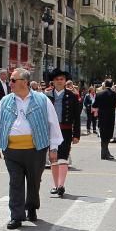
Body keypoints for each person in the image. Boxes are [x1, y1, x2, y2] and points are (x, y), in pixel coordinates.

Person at [0, 68, 63, 229]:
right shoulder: (5, 101)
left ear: (25, 82)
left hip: (36, 149)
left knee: (34, 181)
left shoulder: (42, 100)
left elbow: (53, 124)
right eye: (10, 80)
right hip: (11, 149)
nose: (10, 83)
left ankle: (31, 207)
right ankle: (16, 216)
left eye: (13, 80)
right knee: (15, 182)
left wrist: (54, 148)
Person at [45, 68, 82, 197]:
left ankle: (61, 185)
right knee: (53, 158)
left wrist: (76, 134)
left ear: (65, 81)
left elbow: (77, 117)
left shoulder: (72, 96)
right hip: (50, 131)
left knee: (63, 157)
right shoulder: (46, 96)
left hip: (65, 130)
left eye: (62, 79)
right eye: (57, 79)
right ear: (53, 82)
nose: (59, 81)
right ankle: (55, 185)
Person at [92, 80, 116, 160]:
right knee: (108, 135)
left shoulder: (99, 94)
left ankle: (105, 153)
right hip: (110, 117)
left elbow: (94, 105)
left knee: (103, 135)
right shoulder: (114, 94)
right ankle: (104, 153)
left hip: (102, 117)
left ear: (105, 85)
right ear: (112, 85)